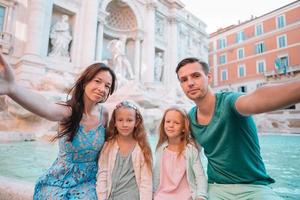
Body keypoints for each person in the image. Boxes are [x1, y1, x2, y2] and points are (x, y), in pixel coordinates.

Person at [175, 57, 300, 199]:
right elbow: (187, 157)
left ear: (209, 77)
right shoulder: (190, 118)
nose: (190, 83)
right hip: (215, 187)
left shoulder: (230, 102)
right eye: (184, 80)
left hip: (254, 187)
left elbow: (256, 100)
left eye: (196, 76)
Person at [0, 53, 117, 199]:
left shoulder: (104, 115)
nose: (102, 88)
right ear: (85, 82)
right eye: (97, 81)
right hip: (60, 178)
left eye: (107, 86)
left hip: (91, 180)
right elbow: (46, 107)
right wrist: (13, 89)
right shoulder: (68, 111)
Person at [96, 100, 152, 200]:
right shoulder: (109, 145)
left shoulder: (142, 147)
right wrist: (101, 197)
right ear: (115, 122)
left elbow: (146, 181)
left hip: (131, 195)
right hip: (110, 194)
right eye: (120, 120)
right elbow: (102, 173)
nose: (124, 124)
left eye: (129, 120)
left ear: (136, 122)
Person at [153, 106, 208, 200]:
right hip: (162, 196)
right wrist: (152, 194)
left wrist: (201, 196)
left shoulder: (190, 150)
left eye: (176, 123)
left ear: (183, 128)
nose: (171, 125)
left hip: (186, 197)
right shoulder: (161, 149)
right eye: (168, 121)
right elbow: (156, 176)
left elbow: (200, 176)